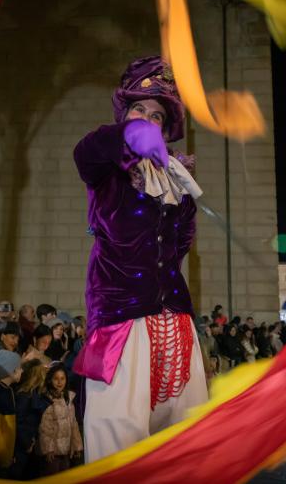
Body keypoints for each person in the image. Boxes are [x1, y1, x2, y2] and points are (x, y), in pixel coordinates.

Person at [72, 56, 207, 463]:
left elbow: (180, 243)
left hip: (177, 324)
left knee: (182, 447)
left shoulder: (176, 181)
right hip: (120, 324)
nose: (149, 120)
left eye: (157, 117)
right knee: (118, 447)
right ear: (124, 115)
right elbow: (86, 151)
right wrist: (129, 136)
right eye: (139, 110)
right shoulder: (107, 172)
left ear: (167, 132)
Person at [39, 363, 83, 475]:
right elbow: (45, 427)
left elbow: (73, 424)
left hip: (66, 450)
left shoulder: (69, 398)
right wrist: (48, 449)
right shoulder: (48, 400)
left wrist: (76, 445)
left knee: (65, 476)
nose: (59, 382)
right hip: (53, 452)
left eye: (62, 378)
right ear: (50, 380)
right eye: (56, 379)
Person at [13, 359, 49, 480]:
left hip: (31, 442)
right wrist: (27, 443)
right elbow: (19, 422)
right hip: (23, 446)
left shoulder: (34, 394)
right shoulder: (25, 395)